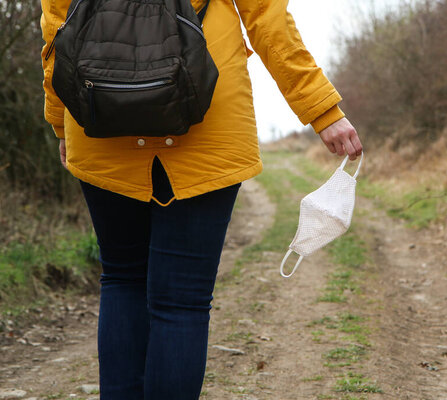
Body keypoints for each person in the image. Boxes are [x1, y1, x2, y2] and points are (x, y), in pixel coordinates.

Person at [40, 0, 363, 398]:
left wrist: (60, 117)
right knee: (181, 303)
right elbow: (267, 17)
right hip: (207, 119)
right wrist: (322, 109)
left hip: (99, 111)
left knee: (122, 279)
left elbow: (57, 23)